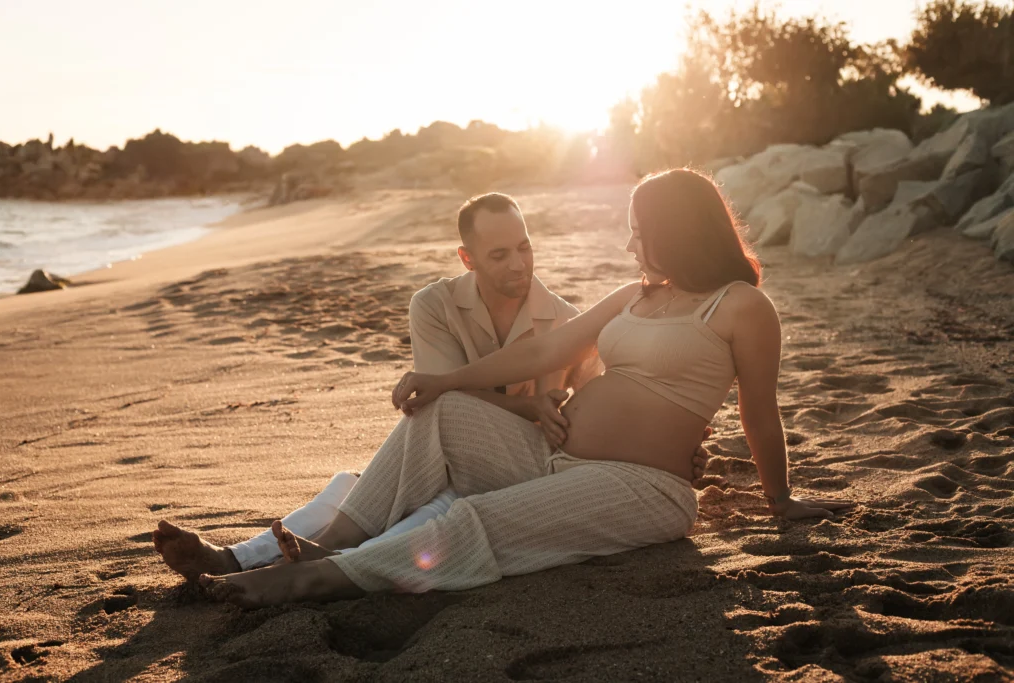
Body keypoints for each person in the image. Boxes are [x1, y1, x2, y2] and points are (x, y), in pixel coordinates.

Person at [195, 169, 853, 608]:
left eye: (640, 229)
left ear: (676, 229)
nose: (630, 243)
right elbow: (543, 348)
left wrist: (782, 497)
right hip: (555, 455)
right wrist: (441, 380)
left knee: (476, 520)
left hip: (642, 487)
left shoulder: (741, 306)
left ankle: (316, 577)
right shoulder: (636, 294)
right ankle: (331, 542)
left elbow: (760, 414)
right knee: (444, 413)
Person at [153, 192, 711, 582]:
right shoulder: (436, 305)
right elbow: (444, 398)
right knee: (350, 488)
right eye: (499, 254)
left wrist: (679, 444)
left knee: (416, 511)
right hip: (439, 451)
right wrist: (528, 406)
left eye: (524, 247)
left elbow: (607, 408)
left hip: (508, 476)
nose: (519, 263)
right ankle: (233, 559)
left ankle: (299, 568)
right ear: (467, 258)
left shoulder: (566, 318)